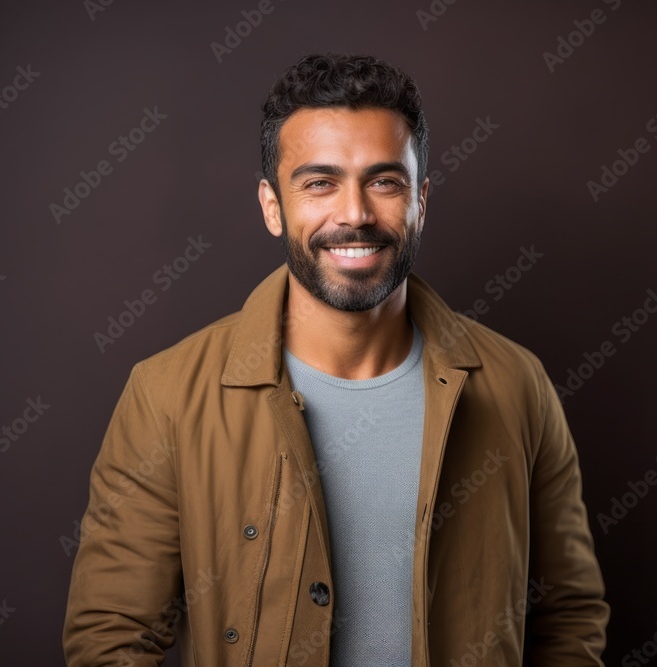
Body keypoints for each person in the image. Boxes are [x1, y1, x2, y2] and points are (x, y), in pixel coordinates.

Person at [63, 52, 609, 666]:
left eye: (384, 181)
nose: (354, 213)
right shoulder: (165, 395)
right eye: (320, 182)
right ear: (273, 206)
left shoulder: (517, 386)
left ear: (421, 201)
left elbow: (569, 614)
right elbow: (110, 636)